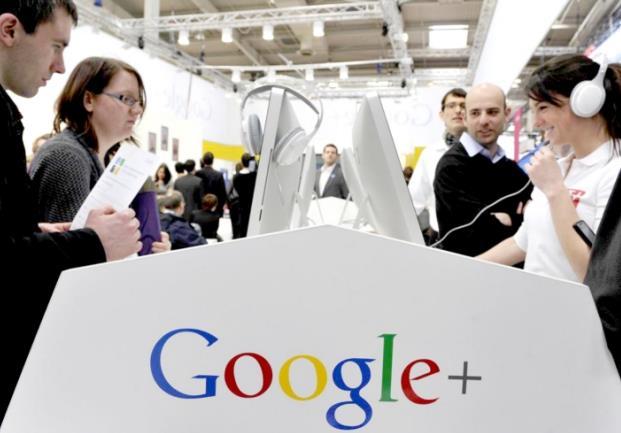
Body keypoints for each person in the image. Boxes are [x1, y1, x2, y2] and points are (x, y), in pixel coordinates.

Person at [0, 0, 142, 419]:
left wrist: (41, 233)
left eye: (138, 102)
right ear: (10, 30)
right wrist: (92, 243)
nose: (60, 65)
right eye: (56, 46)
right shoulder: (67, 157)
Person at [480, 55, 621, 283]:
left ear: (586, 103)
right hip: (536, 301)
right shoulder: (560, 168)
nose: (536, 122)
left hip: (578, 306)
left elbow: (595, 275)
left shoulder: (614, 173)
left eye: (543, 107)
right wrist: (461, 268)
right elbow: (522, 242)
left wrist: (555, 191)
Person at [30, 56, 147, 222]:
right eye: (126, 99)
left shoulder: (95, 158)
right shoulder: (67, 157)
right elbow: (74, 237)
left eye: (138, 102)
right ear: (89, 100)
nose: (137, 110)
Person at [434, 83, 532, 257]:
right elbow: (467, 236)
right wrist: (511, 220)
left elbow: (531, 225)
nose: (484, 121)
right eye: (475, 113)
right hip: (466, 270)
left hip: (511, 271)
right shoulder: (451, 167)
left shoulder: (513, 171)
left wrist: (507, 220)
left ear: (506, 114)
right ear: (465, 118)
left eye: (492, 112)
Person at [409, 88, 466, 243]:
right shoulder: (430, 153)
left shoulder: (484, 152)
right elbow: (414, 199)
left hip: (478, 240)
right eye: (452, 105)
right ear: (441, 114)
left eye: (463, 106)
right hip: (440, 238)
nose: (458, 110)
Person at [233, 152, 257, 238]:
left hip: (241, 206)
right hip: (253, 206)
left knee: (242, 231)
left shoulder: (236, 177)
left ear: (242, 162)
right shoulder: (254, 176)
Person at [195, 151, 227, 216]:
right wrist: (219, 208)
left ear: (203, 161)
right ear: (213, 161)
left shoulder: (197, 173)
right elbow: (222, 194)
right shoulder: (218, 175)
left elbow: (195, 191)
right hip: (214, 209)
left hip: (200, 208)